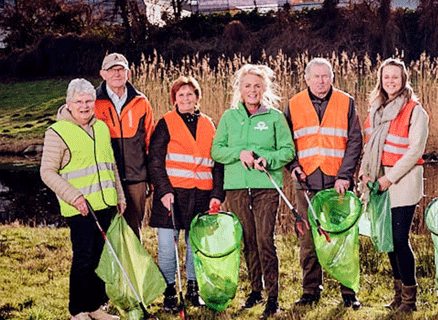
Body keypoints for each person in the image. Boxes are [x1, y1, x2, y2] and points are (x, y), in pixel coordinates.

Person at [211, 64, 295, 317]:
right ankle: (254, 291)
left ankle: (273, 296)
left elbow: (288, 151)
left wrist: (267, 159)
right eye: (247, 85)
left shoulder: (275, 117)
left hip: (266, 187)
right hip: (236, 187)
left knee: (264, 239)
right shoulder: (229, 117)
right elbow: (217, 151)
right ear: (239, 88)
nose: (252, 90)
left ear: (265, 89)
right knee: (248, 240)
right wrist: (240, 153)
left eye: (257, 86)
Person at [40, 78, 126, 320]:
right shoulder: (57, 132)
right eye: (79, 101)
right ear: (69, 103)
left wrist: (119, 196)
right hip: (79, 209)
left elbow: (112, 166)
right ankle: (77, 311)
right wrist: (74, 197)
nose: (85, 105)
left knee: (100, 258)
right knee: (84, 258)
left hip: (105, 205)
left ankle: (95, 308)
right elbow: (47, 172)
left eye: (89, 100)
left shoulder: (101, 128)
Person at [284, 58, 363, 310]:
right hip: (305, 182)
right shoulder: (294, 104)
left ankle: (348, 292)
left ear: (332, 77)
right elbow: (286, 144)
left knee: (342, 238)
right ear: (306, 79)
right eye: (316, 76)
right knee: (308, 239)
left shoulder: (346, 102)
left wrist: (345, 176)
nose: (321, 81)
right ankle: (310, 291)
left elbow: (354, 141)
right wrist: (293, 166)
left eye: (325, 76)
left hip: (337, 183)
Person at [148, 76, 225, 310]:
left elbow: (218, 163)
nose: (185, 98)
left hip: (201, 195)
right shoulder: (166, 123)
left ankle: (193, 288)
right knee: (167, 247)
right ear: (174, 99)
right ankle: (169, 291)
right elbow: (155, 161)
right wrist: (163, 190)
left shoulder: (209, 124)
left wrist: (217, 194)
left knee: (195, 245)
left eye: (190, 94)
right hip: (171, 195)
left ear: (197, 97)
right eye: (180, 95)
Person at [359, 58, 429, 313]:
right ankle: (398, 295)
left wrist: (389, 179)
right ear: (380, 80)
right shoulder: (375, 109)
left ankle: (410, 299)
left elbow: (415, 151)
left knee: (400, 239)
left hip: (401, 181)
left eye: (395, 77)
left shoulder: (414, 110)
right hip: (378, 180)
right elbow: (369, 148)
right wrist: (366, 176)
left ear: (403, 80)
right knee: (388, 239)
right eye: (386, 77)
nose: (390, 81)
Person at [95, 53, 154, 238]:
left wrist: (151, 178)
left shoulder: (141, 102)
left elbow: (150, 142)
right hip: (106, 178)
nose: (117, 74)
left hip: (136, 177)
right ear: (103, 74)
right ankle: (110, 267)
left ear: (128, 73)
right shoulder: (94, 102)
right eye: (111, 70)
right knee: (107, 230)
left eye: (120, 69)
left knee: (133, 231)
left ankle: (133, 267)